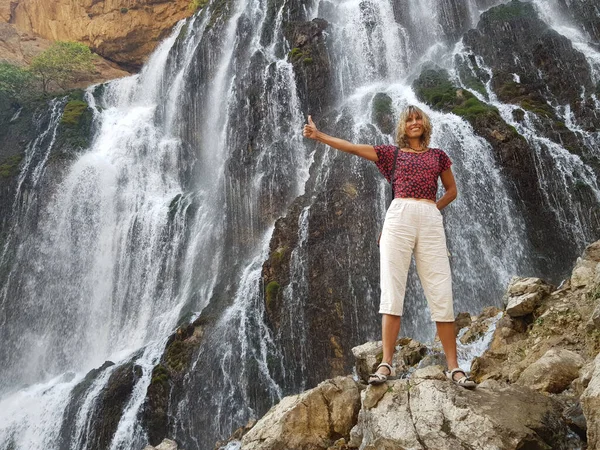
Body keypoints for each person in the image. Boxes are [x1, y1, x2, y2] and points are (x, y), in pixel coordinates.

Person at [302, 105, 476, 388]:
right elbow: (354, 148)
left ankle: (454, 367)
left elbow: (452, 190)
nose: (415, 122)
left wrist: (433, 207)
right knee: (392, 290)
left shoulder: (438, 156)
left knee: (441, 290)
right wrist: (320, 135)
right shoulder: (390, 154)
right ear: (403, 127)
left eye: (418, 117)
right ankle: (386, 363)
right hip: (398, 218)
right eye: (409, 119)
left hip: (430, 219)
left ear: (425, 123)